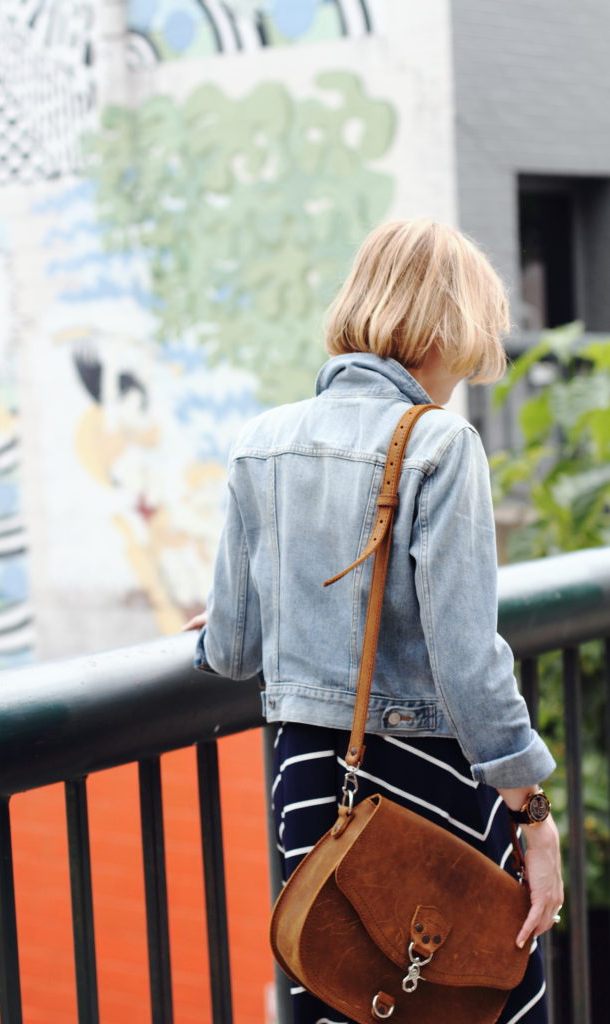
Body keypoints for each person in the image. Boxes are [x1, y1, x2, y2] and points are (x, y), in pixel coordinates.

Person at [185, 219, 563, 1024]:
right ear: (442, 327)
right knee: (467, 985)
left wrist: (226, 618)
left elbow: (230, 649)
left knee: (348, 990)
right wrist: (532, 815)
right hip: (421, 783)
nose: (469, 363)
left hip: (308, 788)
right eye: (470, 337)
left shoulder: (260, 443)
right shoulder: (438, 444)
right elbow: (467, 660)